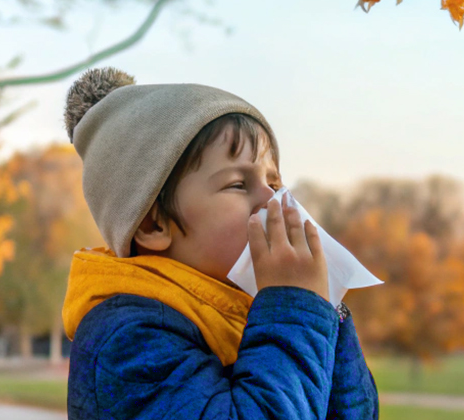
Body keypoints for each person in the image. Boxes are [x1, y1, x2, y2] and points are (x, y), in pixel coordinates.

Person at [60, 68, 378, 419]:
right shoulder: (127, 340)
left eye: (273, 183)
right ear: (153, 224)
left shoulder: (252, 313)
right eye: (238, 184)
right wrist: (296, 307)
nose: (273, 200)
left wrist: (324, 309)